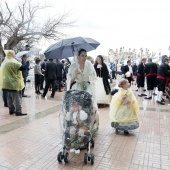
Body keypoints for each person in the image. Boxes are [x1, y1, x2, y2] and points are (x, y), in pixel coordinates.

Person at [66, 49, 98, 154]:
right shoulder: (73, 65)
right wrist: (74, 76)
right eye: (82, 56)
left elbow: (94, 76)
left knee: (88, 109)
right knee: (76, 109)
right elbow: (68, 81)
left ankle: (87, 129)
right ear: (78, 56)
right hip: (76, 90)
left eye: (85, 55)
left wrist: (89, 81)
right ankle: (75, 130)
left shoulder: (89, 64)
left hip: (87, 90)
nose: (84, 58)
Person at [0, 50, 28, 116]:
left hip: (6, 83)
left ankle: (11, 110)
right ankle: (18, 111)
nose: (15, 55)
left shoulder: (5, 62)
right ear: (11, 54)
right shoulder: (13, 62)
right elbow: (23, 68)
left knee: (9, 97)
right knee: (17, 98)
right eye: (14, 54)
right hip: (14, 83)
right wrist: (27, 62)